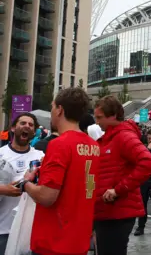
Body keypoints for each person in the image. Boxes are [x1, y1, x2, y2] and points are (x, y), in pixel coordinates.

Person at [22, 88, 99, 255]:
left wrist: (26, 183)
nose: (51, 112)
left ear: (60, 110)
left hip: (54, 240)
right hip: (78, 240)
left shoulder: (59, 145)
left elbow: (46, 197)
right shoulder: (94, 146)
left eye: (52, 106)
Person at [93, 95, 151, 255]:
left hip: (117, 212)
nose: (97, 122)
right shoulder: (111, 137)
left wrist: (118, 190)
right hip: (109, 211)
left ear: (113, 116)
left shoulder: (123, 136)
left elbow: (148, 162)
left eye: (99, 117)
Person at [0, 113, 43, 253]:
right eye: (23, 123)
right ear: (13, 128)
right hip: (4, 228)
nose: (27, 127)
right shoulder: (1, 154)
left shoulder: (41, 156)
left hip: (30, 230)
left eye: (31, 125)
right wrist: (3, 189)